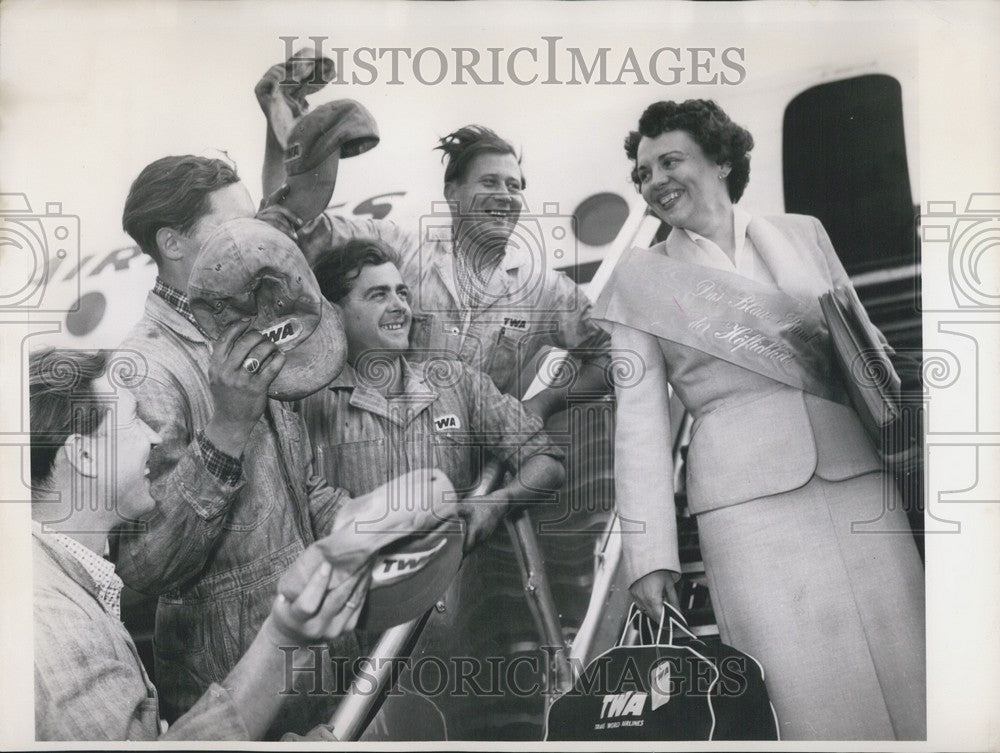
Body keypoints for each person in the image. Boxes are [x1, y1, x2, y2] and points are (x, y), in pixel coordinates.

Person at [594, 99, 926, 740]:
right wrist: (650, 556)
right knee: (800, 691)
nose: (655, 180)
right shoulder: (638, 284)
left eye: (671, 160)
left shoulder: (803, 233)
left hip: (854, 472)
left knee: (907, 663)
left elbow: (868, 349)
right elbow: (638, 428)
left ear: (720, 160)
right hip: (745, 507)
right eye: (643, 172)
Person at [112, 155, 353, 733]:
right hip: (226, 688)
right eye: (231, 226)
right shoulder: (145, 367)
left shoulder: (249, 322)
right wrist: (228, 430)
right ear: (172, 242)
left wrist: (352, 519)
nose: (255, 241)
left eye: (256, 223)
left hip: (311, 659)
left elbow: (292, 484)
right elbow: (146, 565)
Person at [301, 236, 566, 737]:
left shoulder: (455, 382)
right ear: (334, 314)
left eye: (402, 292)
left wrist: (498, 501)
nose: (400, 305)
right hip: (356, 663)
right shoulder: (304, 407)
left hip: (462, 642)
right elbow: (314, 510)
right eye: (377, 295)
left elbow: (545, 460)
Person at [29, 348, 367, 741]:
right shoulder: (54, 626)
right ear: (85, 455)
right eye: (134, 419)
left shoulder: (63, 583)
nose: (153, 437)